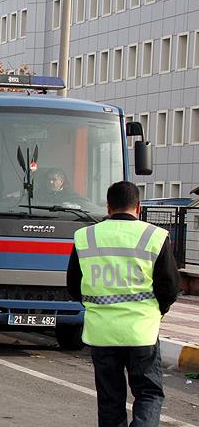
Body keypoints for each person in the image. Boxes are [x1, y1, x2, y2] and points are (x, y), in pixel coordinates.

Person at [66, 181, 180, 427]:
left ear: (108, 207)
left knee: (110, 399)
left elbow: (74, 287)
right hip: (141, 332)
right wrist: (156, 311)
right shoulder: (155, 236)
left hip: (101, 332)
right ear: (138, 206)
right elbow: (169, 286)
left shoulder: (85, 236)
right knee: (148, 393)